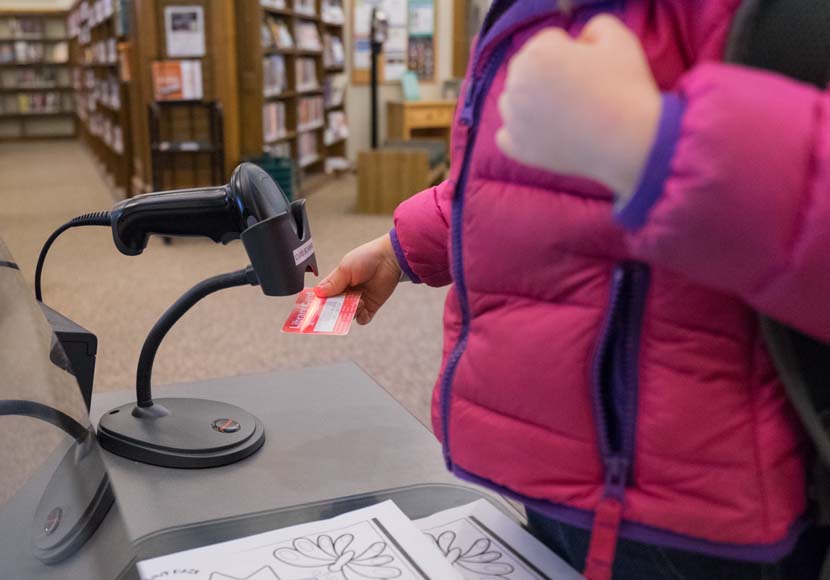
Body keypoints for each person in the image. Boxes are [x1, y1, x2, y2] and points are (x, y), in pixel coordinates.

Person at [316, 1, 830, 578]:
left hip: (691, 508)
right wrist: (402, 246)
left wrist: (653, 146)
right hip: (555, 470)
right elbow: (517, 180)